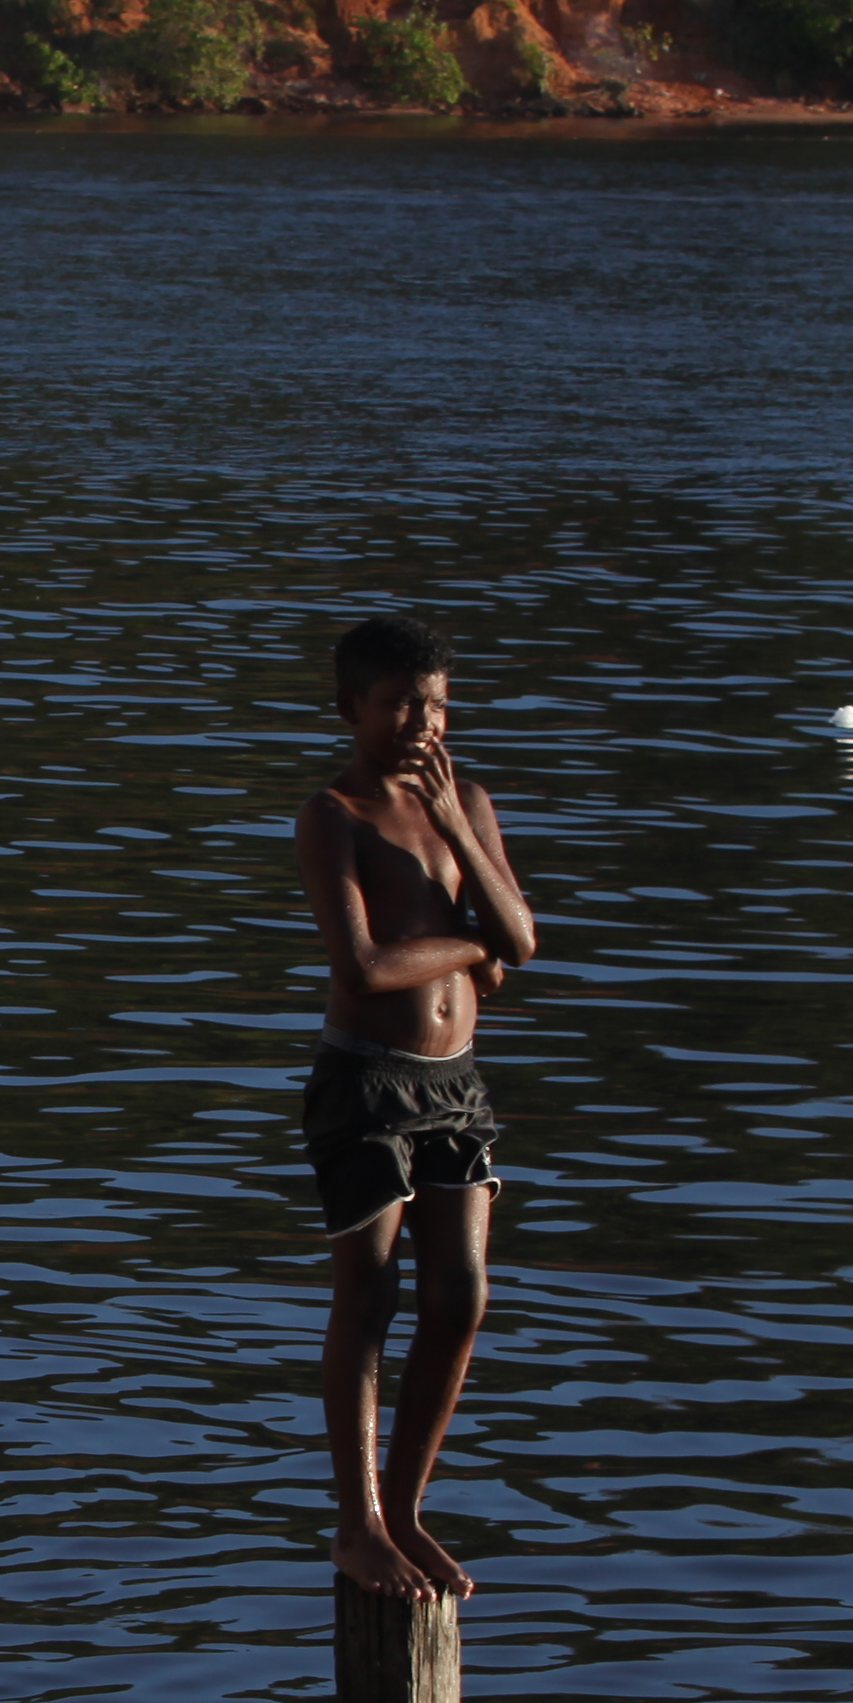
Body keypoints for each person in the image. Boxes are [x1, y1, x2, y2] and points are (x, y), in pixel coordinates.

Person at [293, 613, 543, 1600]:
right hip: (368, 1078)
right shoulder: (334, 814)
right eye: (399, 704)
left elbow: (521, 929)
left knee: (462, 1297)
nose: (419, 723)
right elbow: (365, 967)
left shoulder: (467, 800)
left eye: (435, 704)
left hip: (457, 1084)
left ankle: (405, 1510)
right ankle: (357, 1529)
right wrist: (475, 950)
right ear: (352, 707)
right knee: (371, 1297)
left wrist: (459, 837)